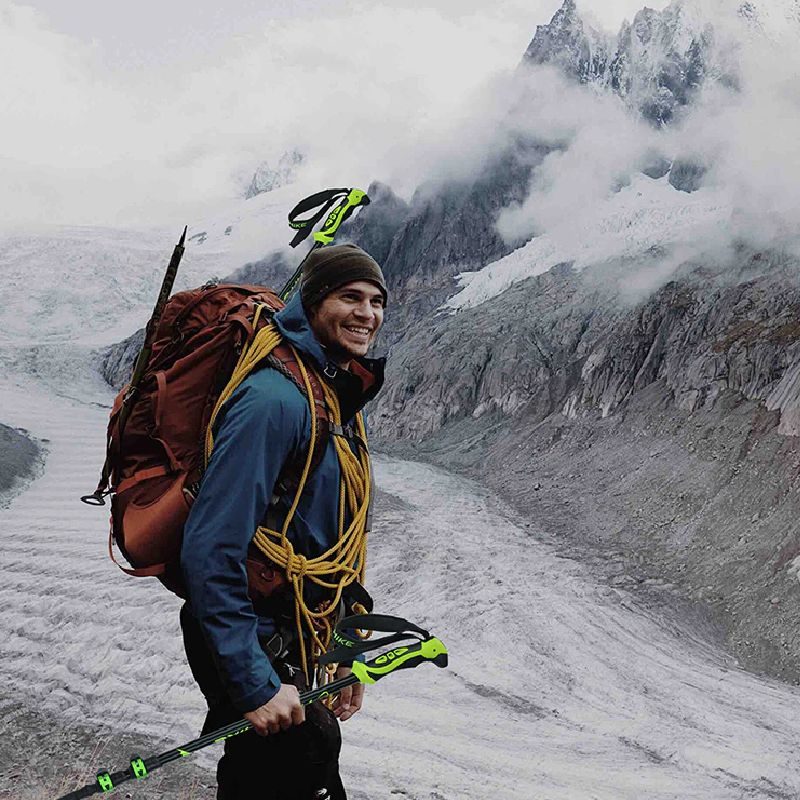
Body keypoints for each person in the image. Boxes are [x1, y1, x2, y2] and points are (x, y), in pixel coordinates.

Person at [179, 243, 388, 800]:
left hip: (292, 634)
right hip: (253, 633)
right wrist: (251, 684)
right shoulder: (274, 399)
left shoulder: (332, 394)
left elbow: (324, 538)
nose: (367, 313)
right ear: (314, 300)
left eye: (376, 300)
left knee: (286, 773)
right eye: (350, 296)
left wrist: (345, 651)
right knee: (295, 772)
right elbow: (210, 546)